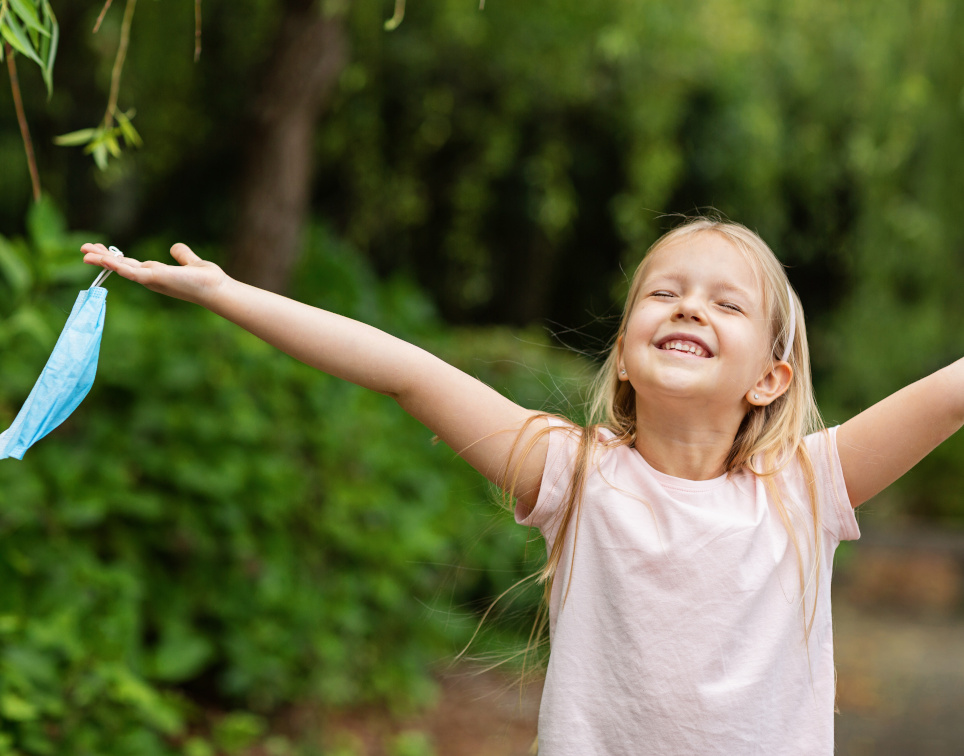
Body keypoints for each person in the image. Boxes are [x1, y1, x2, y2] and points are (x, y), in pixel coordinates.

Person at [81, 218, 964, 755]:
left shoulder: (806, 488)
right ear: (624, 354)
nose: (690, 306)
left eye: (726, 304)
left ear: (770, 378)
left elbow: (949, 392)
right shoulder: (575, 475)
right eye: (665, 293)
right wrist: (229, 292)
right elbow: (405, 370)